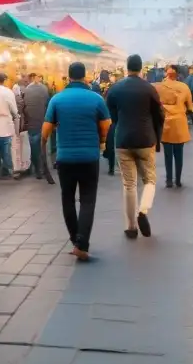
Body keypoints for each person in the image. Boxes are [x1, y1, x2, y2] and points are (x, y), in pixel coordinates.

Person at [42, 62, 111, 261]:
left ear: (69, 76)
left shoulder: (57, 99)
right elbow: (107, 125)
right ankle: (82, 243)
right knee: (88, 200)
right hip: (90, 157)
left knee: (68, 199)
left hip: (65, 158)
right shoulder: (96, 98)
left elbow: (46, 130)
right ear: (85, 76)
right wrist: (102, 141)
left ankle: (75, 240)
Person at [106, 54, 164, 238]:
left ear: (126, 67)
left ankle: (130, 227)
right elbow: (159, 115)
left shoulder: (115, 89)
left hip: (123, 140)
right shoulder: (149, 89)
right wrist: (157, 137)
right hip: (146, 140)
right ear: (141, 69)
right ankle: (143, 210)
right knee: (150, 180)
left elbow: (112, 115)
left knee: (129, 184)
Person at [154, 65, 193, 188]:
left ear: (166, 74)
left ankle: (168, 180)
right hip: (179, 123)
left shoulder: (158, 87)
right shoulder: (184, 87)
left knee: (167, 154)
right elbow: (190, 106)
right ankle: (178, 179)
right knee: (179, 153)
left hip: (165, 123)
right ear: (177, 74)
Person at [23, 73, 51, 180]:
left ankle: (36, 169)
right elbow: (48, 106)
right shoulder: (44, 90)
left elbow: (24, 107)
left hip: (31, 123)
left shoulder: (27, 91)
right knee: (43, 147)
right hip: (43, 122)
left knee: (34, 147)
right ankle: (43, 168)